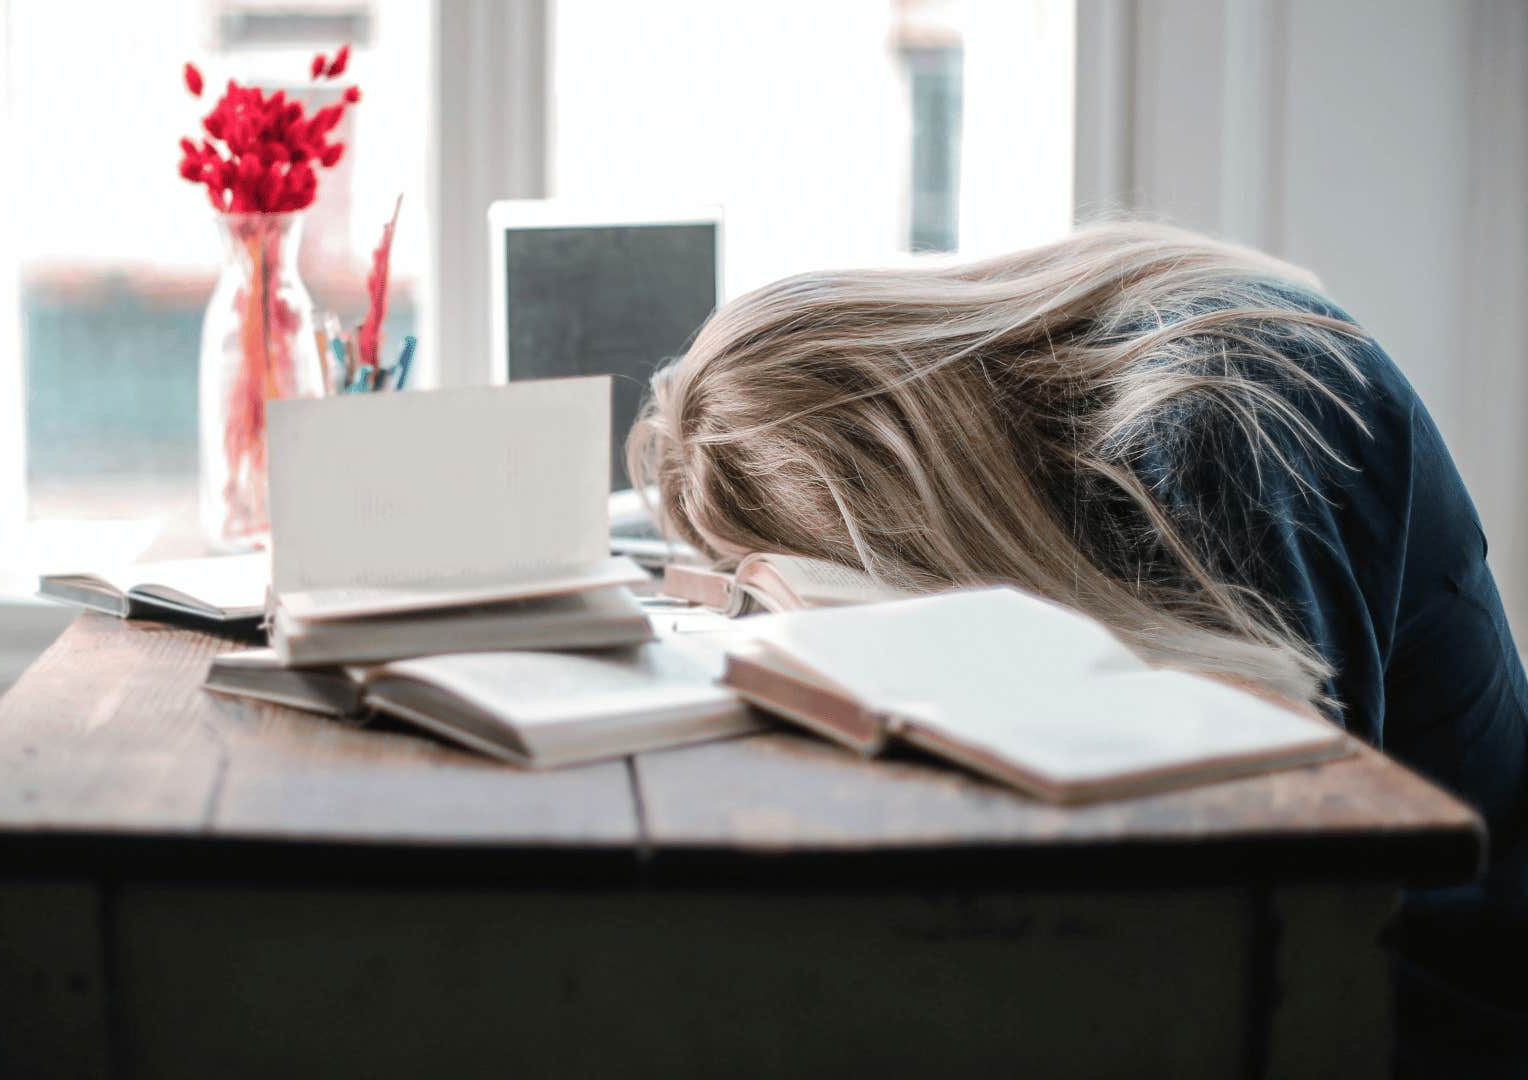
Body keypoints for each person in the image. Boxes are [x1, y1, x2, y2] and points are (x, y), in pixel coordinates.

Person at [628, 221, 1526, 1071]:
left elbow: (1275, 867)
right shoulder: (1095, 397)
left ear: (901, 500)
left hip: (1441, 990)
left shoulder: (1221, 412)